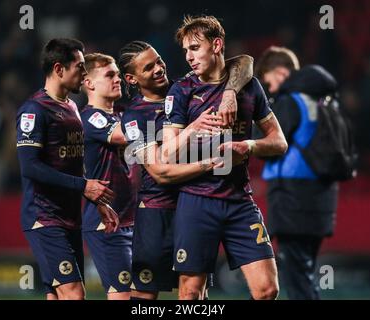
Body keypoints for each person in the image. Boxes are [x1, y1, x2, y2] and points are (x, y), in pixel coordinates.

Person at [162, 15, 288, 300]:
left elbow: (279, 142)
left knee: (267, 290)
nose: (189, 57)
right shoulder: (182, 91)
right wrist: (194, 129)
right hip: (196, 200)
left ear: (216, 45)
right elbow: (167, 153)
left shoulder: (248, 86)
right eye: (185, 51)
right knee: (191, 293)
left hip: (238, 200)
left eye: (195, 48)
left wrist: (248, 146)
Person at [118, 40, 253, 300]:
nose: (159, 68)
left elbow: (245, 62)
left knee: (194, 293)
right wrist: (208, 159)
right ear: (131, 79)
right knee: (144, 295)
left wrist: (229, 92)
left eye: (158, 60)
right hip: (158, 212)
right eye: (148, 68)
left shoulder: (186, 89)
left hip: (196, 206)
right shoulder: (134, 118)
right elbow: (159, 172)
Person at [16, 38, 116, 300]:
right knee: (74, 293)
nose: (84, 73)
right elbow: (30, 167)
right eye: (80, 67)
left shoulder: (72, 107)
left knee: (57, 295)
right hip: (44, 217)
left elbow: (73, 165)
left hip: (71, 217)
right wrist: (84, 186)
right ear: (59, 69)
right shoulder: (34, 110)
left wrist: (96, 200)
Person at [255, 46, 339, 299]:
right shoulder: (323, 99)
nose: (269, 89)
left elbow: (268, 146)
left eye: (268, 82)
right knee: (305, 271)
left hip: (293, 198)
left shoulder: (290, 101)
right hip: (321, 195)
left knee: (297, 278)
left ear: (281, 73)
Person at [81, 53, 136, 300]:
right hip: (107, 224)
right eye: (110, 75)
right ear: (89, 83)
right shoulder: (90, 117)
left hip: (135, 218)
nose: (118, 79)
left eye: (118, 74)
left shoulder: (122, 114)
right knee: (122, 297)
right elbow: (124, 137)